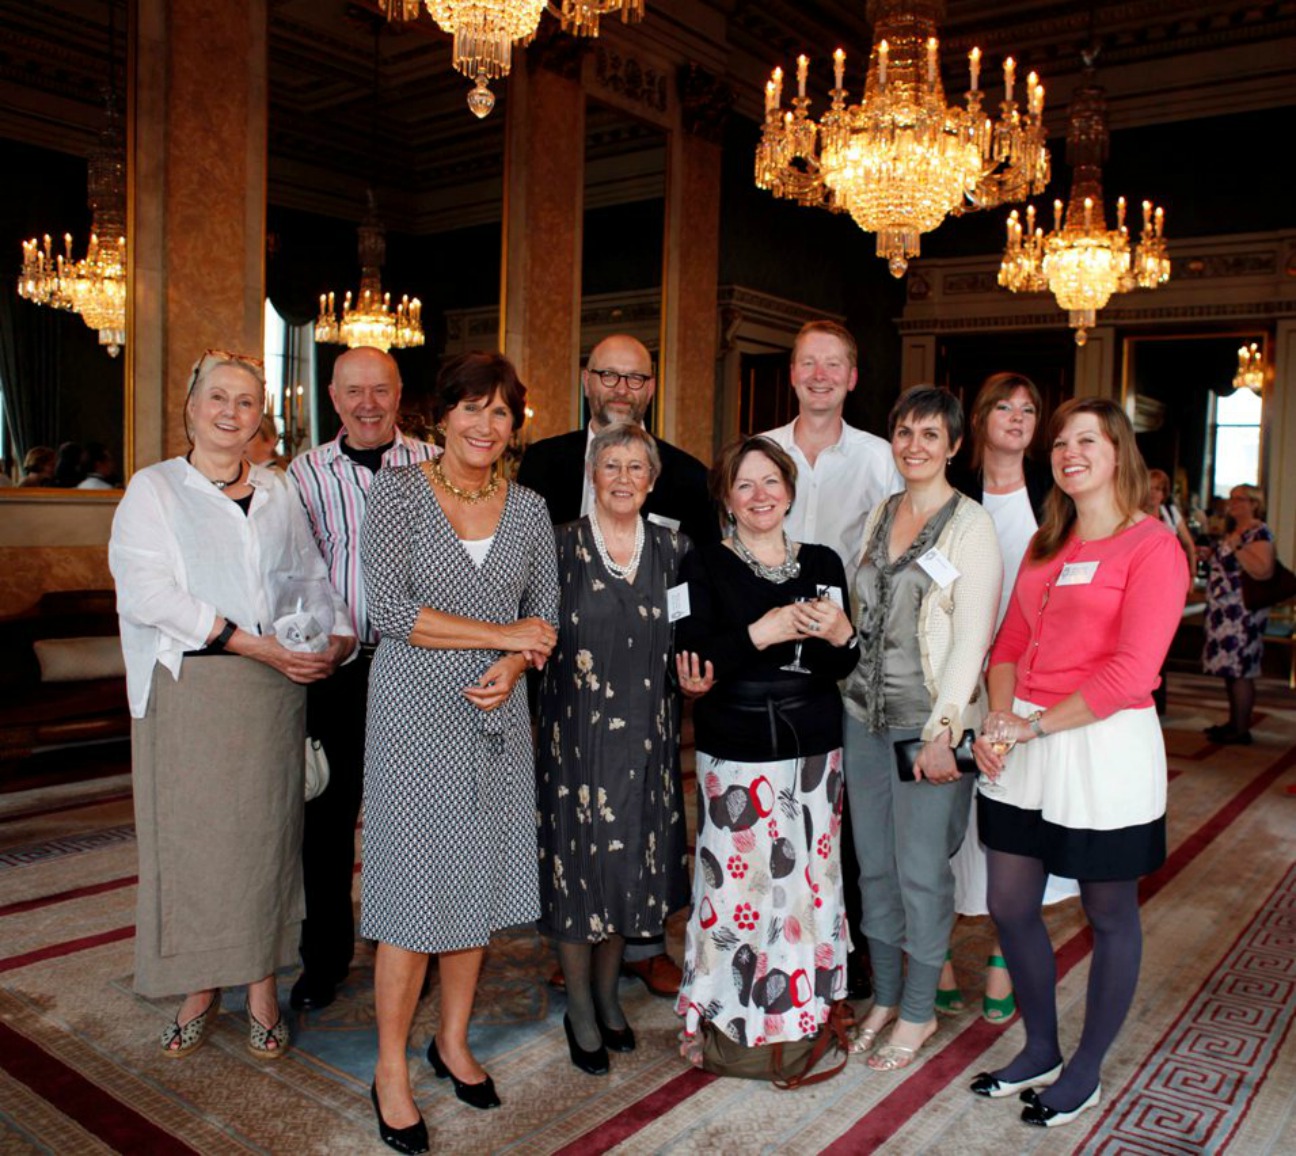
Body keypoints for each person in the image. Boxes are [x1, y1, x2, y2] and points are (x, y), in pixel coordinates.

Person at [108, 350, 353, 1062]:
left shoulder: (279, 491)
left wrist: (332, 636)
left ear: (259, 418)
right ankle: (196, 987)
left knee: (268, 846)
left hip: (274, 695)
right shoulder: (153, 490)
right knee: (194, 849)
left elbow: (307, 578)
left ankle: (260, 985)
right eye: (218, 397)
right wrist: (251, 643)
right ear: (190, 406)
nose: (230, 412)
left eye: (246, 403)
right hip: (191, 690)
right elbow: (147, 594)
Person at [969, 398, 1188, 1128]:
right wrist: (1002, 717)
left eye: (1086, 440)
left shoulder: (1151, 547)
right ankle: (1040, 1047)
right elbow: (1006, 645)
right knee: (1009, 901)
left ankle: (1086, 1070)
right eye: (1061, 443)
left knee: (1109, 910)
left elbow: (1131, 674)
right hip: (1026, 735)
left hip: (1102, 745)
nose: (1069, 453)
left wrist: (1030, 729)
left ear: (1118, 452)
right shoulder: (1045, 543)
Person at [360, 351, 558, 1153]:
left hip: (496, 716)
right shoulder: (400, 492)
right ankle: (389, 1070)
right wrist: (500, 635)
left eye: (502, 412)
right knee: (411, 895)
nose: (486, 424)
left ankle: (451, 1043)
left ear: (515, 427)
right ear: (440, 416)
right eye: (472, 408)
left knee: (474, 887)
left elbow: (543, 616)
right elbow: (390, 610)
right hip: (413, 711)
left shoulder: (532, 508)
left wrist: (513, 662)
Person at [519, 332, 717, 999]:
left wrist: (697, 661)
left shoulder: (683, 474)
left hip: (644, 684)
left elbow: (699, 581)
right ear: (586, 381)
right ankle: (577, 941)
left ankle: (644, 942)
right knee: (572, 818)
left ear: (652, 388)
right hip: (562, 681)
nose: (621, 391)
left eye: (635, 379)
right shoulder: (543, 465)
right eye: (609, 376)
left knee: (641, 813)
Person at [674, 436, 858, 1060]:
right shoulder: (702, 564)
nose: (760, 496)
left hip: (815, 752)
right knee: (738, 892)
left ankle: (807, 1013)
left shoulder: (824, 563)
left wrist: (843, 633)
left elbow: (844, 663)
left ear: (789, 490)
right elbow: (693, 661)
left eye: (771, 482)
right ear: (726, 497)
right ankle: (728, 1022)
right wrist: (762, 632)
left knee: (808, 884)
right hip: (737, 753)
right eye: (745, 484)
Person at [843, 386, 1002, 1071]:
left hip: (928, 727)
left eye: (930, 435)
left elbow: (972, 639)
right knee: (874, 867)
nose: (914, 445)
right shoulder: (880, 513)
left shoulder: (971, 525)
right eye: (904, 432)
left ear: (954, 446)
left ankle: (917, 1012)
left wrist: (943, 731)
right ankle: (884, 995)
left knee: (919, 872)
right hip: (862, 719)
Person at [286, 346, 438, 1013]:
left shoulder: (436, 464)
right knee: (327, 820)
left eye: (380, 390)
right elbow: (295, 572)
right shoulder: (302, 475)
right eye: (354, 392)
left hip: (422, 668)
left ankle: (412, 950)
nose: (368, 404)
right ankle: (324, 958)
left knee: (412, 821)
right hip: (340, 673)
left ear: (399, 393)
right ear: (333, 395)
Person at [537, 423, 692, 1075]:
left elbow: (689, 634)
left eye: (636, 467)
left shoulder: (674, 549)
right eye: (611, 466)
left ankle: (607, 995)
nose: (623, 477)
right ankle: (579, 1004)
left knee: (628, 864)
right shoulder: (559, 547)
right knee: (579, 873)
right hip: (575, 738)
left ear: (652, 479)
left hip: (649, 735)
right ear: (592, 477)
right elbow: (533, 632)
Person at [762, 320, 901, 1000]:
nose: (819, 375)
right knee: (777, 801)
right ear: (793, 374)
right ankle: (774, 935)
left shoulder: (881, 458)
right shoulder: (762, 451)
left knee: (846, 804)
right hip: (767, 651)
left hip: (848, 652)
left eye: (833, 365)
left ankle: (853, 951)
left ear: (852, 377)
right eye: (807, 363)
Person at [945, 372, 1077, 1024]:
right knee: (943, 818)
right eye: (1005, 406)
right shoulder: (950, 489)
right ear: (980, 417)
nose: (1019, 417)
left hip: (1022, 680)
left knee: (1012, 820)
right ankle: (935, 952)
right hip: (950, 675)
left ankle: (1002, 951)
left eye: (1030, 409)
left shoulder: (1055, 499)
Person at [1200, 484, 1274, 745]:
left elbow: (1263, 569)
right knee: (1229, 670)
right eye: (1231, 498)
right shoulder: (1234, 531)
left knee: (1241, 670)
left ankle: (1241, 729)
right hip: (1225, 611)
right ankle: (1234, 723)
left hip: (1242, 613)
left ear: (1254, 503)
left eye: (1239, 499)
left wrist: (1237, 548)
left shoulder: (1258, 531)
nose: (1232, 503)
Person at [1147, 468, 1196, 566]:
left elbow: (1188, 544)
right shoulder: (1134, 515)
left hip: (1170, 568)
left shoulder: (1171, 513)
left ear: (1164, 494)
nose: (1152, 493)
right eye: (1149, 488)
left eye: (1157, 489)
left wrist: (1192, 573)